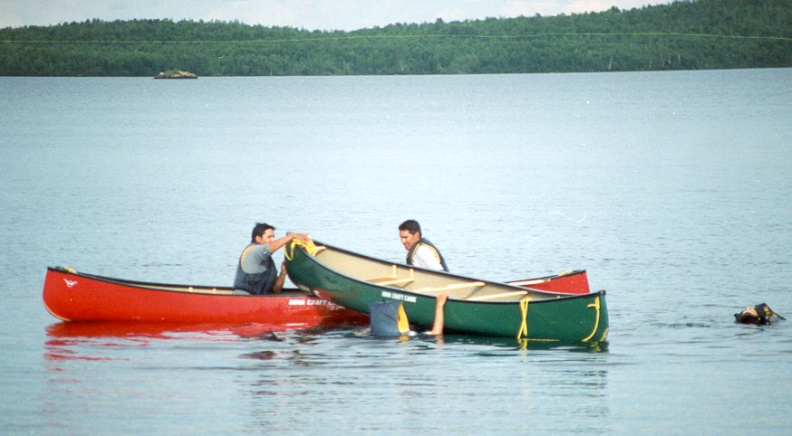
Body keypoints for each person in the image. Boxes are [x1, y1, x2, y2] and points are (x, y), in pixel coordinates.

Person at [233, 223, 310, 295]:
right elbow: (272, 246)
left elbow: (276, 290)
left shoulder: (268, 260)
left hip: (260, 300)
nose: (272, 240)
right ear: (258, 239)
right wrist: (293, 236)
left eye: (273, 237)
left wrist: (282, 273)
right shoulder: (253, 251)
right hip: (244, 298)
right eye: (269, 237)